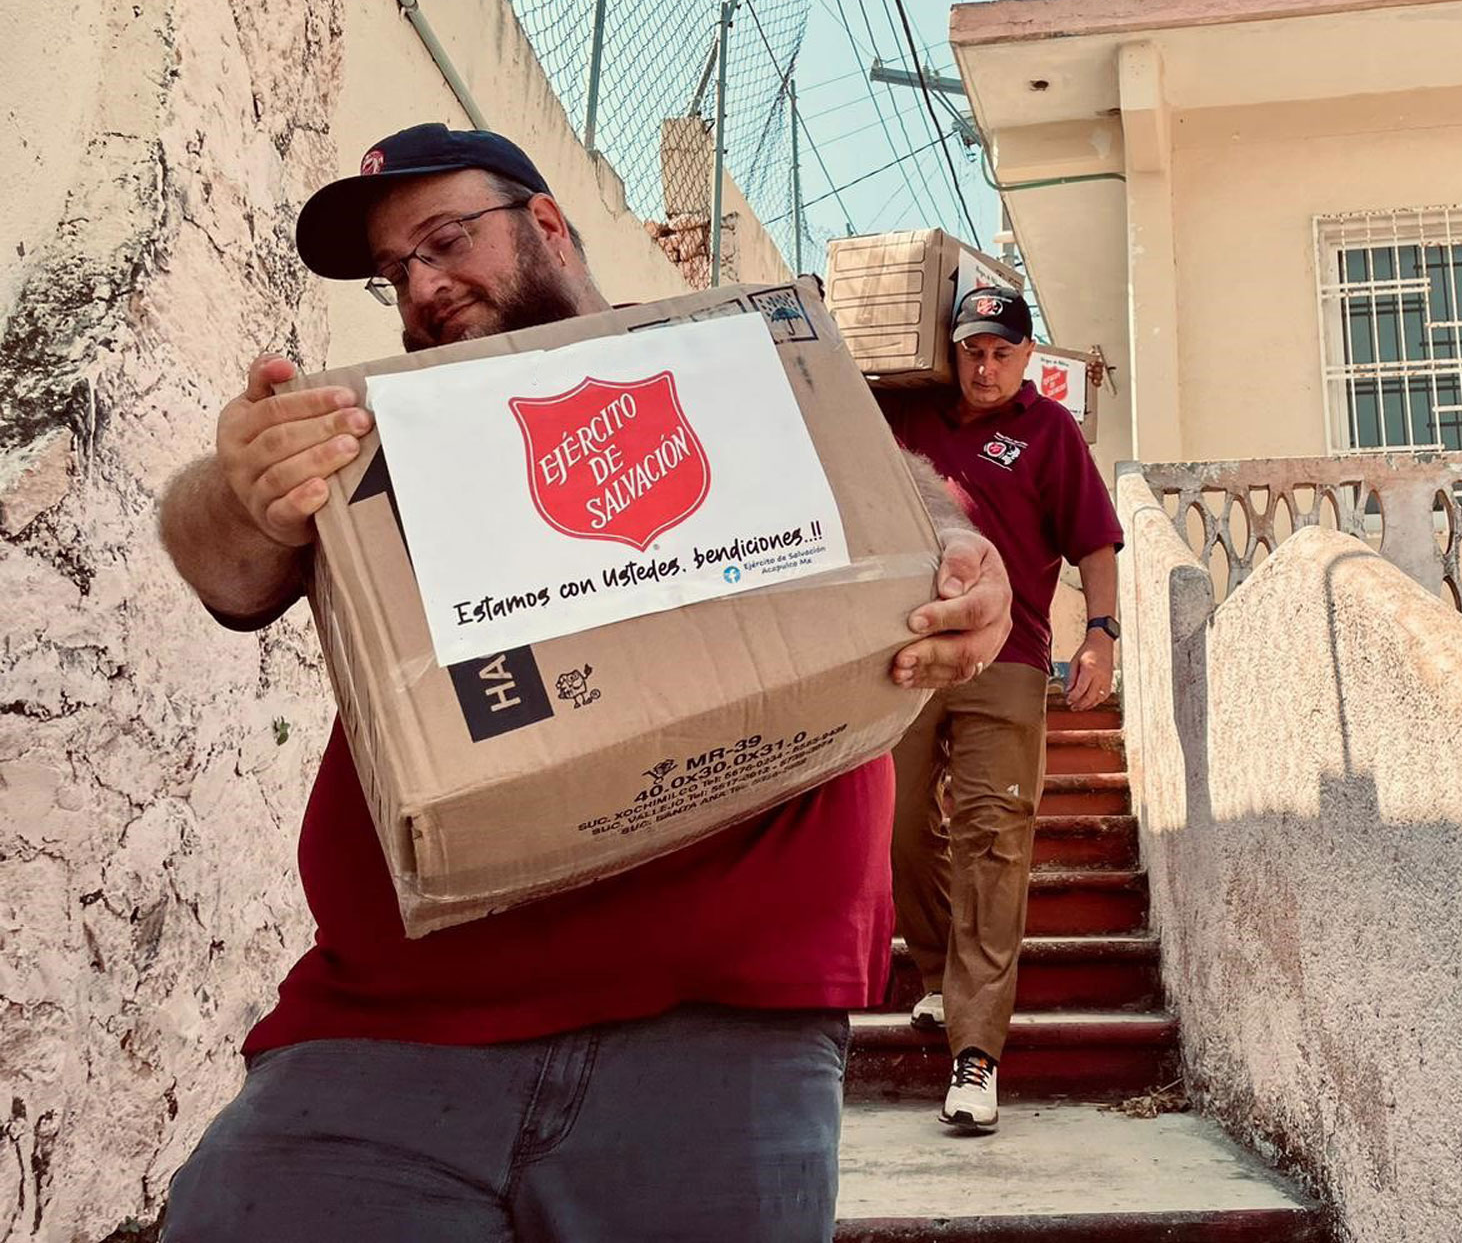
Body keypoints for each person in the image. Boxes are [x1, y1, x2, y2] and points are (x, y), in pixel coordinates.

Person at [155, 124, 1012, 1242]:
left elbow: (898, 494)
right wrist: (242, 484)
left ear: (547, 222)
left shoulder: (731, 371)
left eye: (445, 238)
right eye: (392, 273)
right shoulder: (383, 442)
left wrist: (961, 560)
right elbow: (216, 556)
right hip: (385, 1025)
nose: (421, 284)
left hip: (719, 1030)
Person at [875, 286, 1124, 1133]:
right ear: (952, 350)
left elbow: (1093, 539)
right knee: (901, 825)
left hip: (1010, 663)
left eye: (1002, 353)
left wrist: (1100, 634)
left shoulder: (1047, 431)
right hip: (911, 658)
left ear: (1027, 358)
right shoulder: (907, 415)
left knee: (992, 839)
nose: (985, 367)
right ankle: (944, 976)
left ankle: (977, 1054)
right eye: (973, 350)